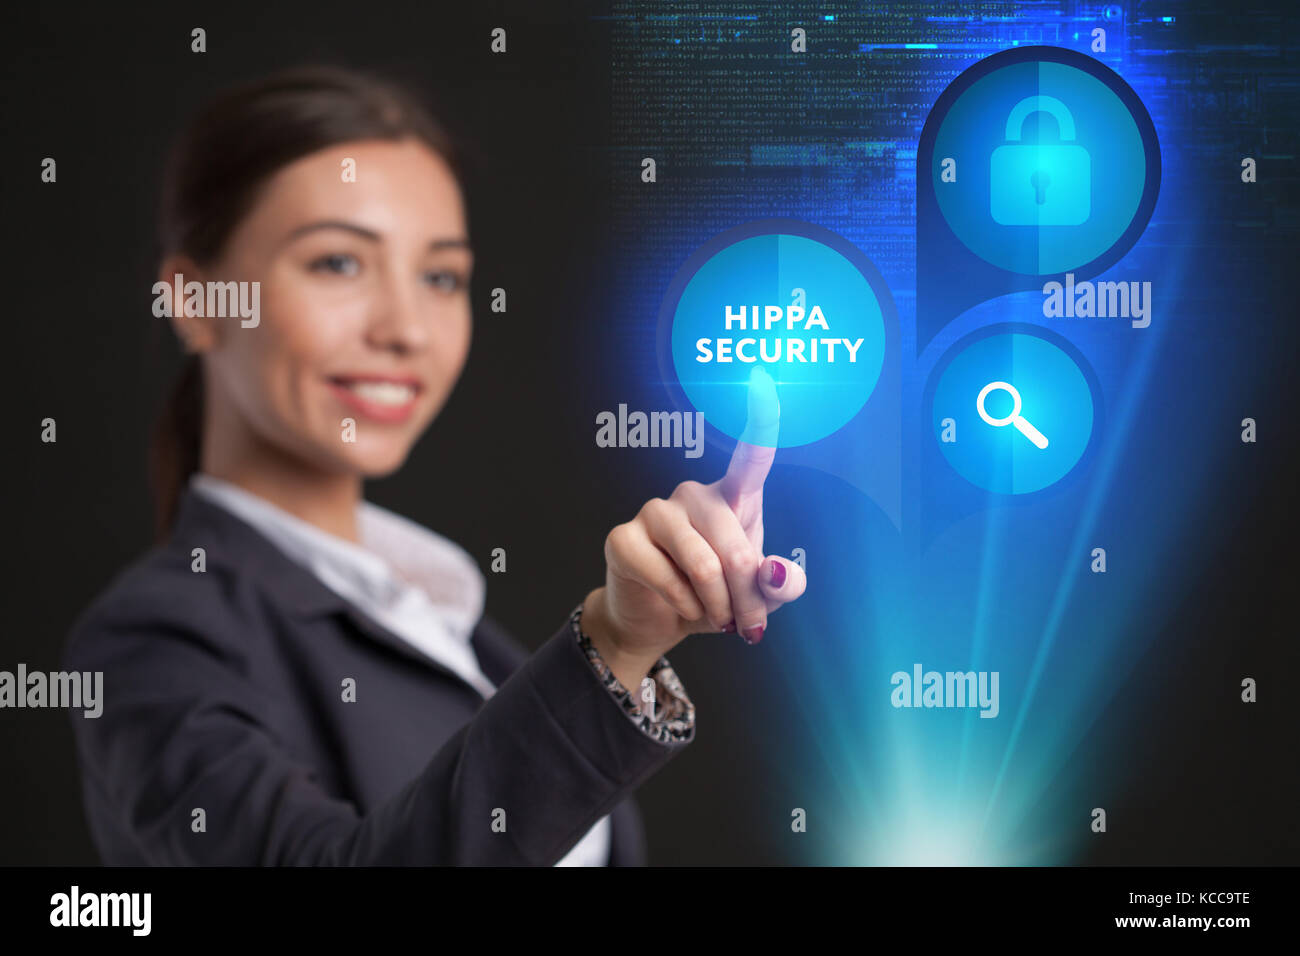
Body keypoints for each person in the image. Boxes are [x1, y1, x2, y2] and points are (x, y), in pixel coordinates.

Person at [61, 65, 806, 866]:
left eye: (441, 277)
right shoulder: (153, 640)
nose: (406, 329)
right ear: (194, 302)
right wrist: (612, 647)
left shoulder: (458, 630)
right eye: (339, 263)